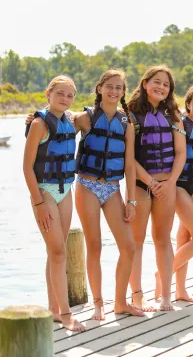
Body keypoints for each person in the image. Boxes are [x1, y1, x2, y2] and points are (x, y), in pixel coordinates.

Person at [74, 70, 143, 320]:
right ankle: (98, 303)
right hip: (87, 185)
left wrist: (131, 200)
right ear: (100, 87)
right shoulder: (86, 118)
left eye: (119, 88)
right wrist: (32, 120)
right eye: (109, 87)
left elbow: (130, 164)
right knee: (94, 246)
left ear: (124, 92)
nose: (114, 92)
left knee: (129, 246)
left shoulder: (127, 122)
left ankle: (121, 302)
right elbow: (57, 124)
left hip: (112, 188)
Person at [23, 75, 86, 332]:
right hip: (45, 192)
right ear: (48, 93)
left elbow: (96, 113)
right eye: (59, 93)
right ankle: (67, 313)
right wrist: (38, 204)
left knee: (56, 251)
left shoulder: (70, 121)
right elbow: (27, 167)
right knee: (58, 252)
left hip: (65, 190)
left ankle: (54, 309)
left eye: (69, 95)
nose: (65, 98)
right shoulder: (39, 123)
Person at [127, 66, 186, 311]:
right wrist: (151, 182)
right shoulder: (129, 114)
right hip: (141, 185)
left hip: (168, 184)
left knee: (163, 239)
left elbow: (181, 152)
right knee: (136, 241)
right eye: (156, 82)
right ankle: (137, 296)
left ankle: (165, 296)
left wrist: (170, 182)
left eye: (166, 84)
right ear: (144, 83)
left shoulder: (174, 114)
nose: (161, 87)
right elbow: (128, 157)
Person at [155, 83, 193, 303]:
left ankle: (180, 291)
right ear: (188, 104)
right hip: (179, 184)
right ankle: (163, 275)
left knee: (186, 236)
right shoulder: (180, 123)